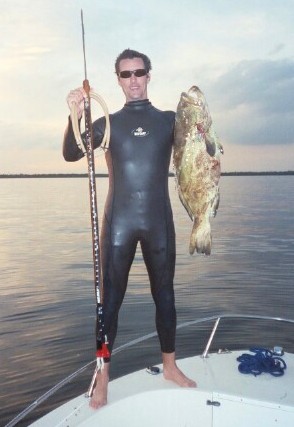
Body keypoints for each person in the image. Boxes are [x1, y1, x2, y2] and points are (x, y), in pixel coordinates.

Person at [63, 48, 196, 409]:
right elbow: (72, 154)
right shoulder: (108, 122)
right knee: (109, 303)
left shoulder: (170, 120)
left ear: (149, 75)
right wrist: (75, 113)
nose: (133, 80)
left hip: (158, 220)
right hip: (118, 222)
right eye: (126, 74)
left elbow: (199, 150)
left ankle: (170, 366)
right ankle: (103, 377)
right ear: (118, 80)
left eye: (139, 72)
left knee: (165, 295)